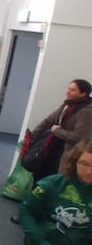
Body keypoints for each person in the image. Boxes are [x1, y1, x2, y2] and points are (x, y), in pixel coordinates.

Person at [11, 79, 92, 225]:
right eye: (68, 88)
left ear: (83, 93)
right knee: (39, 180)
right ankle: (28, 213)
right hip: (51, 150)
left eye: (73, 90)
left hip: (65, 154)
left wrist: (57, 131)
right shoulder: (68, 105)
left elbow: (79, 137)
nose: (68, 92)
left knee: (53, 186)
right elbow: (48, 121)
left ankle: (42, 217)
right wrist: (32, 137)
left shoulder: (87, 111)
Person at [19, 139, 92, 245]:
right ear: (74, 162)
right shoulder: (52, 185)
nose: (89, 171)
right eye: (84, 164)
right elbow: (26, 211)